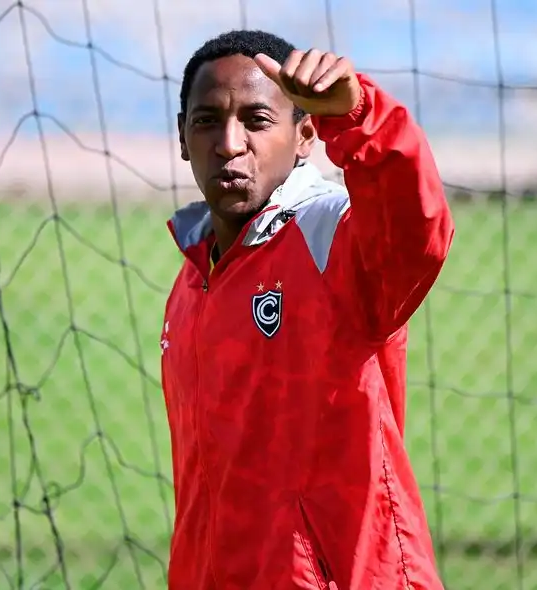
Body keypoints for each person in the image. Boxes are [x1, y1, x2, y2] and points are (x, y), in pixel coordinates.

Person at [160, 29, 454, 590]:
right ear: (182, 136)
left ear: (305, 135)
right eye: (206, 120)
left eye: (256, 120)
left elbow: (417, 231)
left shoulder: (335, 234)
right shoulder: (193, 275)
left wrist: (360, 114)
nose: (229, 142)